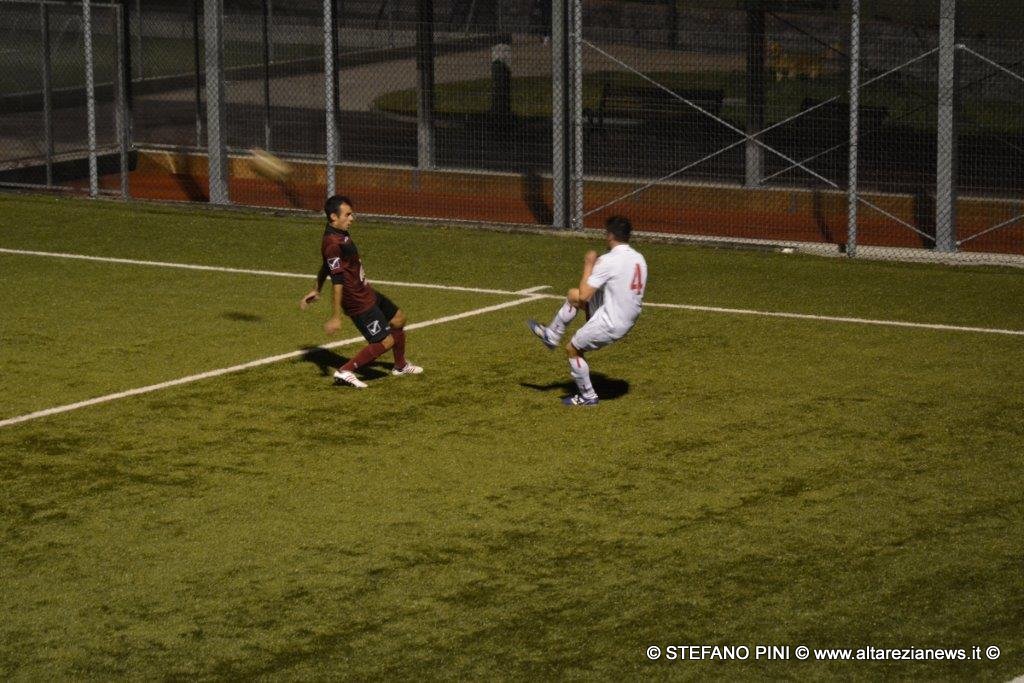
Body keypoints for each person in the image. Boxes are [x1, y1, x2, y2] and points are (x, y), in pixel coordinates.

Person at [300, 194, 422, 388]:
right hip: (356, 300)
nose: (352, 218)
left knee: (399, 319)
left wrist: (316, 288)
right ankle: (345, 371)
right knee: (385, 341)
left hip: (365, 291)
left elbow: (326, 266)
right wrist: (336, 316)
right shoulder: (332, 243)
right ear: (334, 217)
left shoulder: (340, 233)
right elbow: (337, 280)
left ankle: (400, 366)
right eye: (347, 215)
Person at [527, 216, 647, 406]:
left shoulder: (609, 260)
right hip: (626, 315)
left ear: (610, 236)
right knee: (572, 296)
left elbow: (585, 295)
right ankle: (551, 335)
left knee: (573, 349)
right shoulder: (639, 258)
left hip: (611, 321)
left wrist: (589, 264)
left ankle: (588, 396)